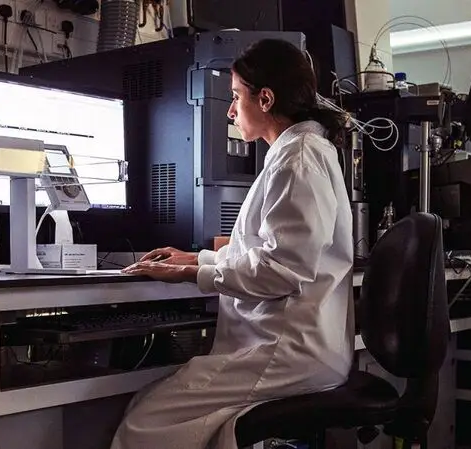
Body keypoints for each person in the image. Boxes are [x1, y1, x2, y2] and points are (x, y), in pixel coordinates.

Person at [113, 38, 355, 449]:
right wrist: (196, 257)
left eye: (235, 96)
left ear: (264, 99)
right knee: (173, 411)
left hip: (289, 349)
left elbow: (281, 272)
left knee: (145, 421)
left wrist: (192, 274)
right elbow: (263, 250)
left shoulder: (298, 158)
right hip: (290, 343)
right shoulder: (294, 153)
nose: (229, 109)